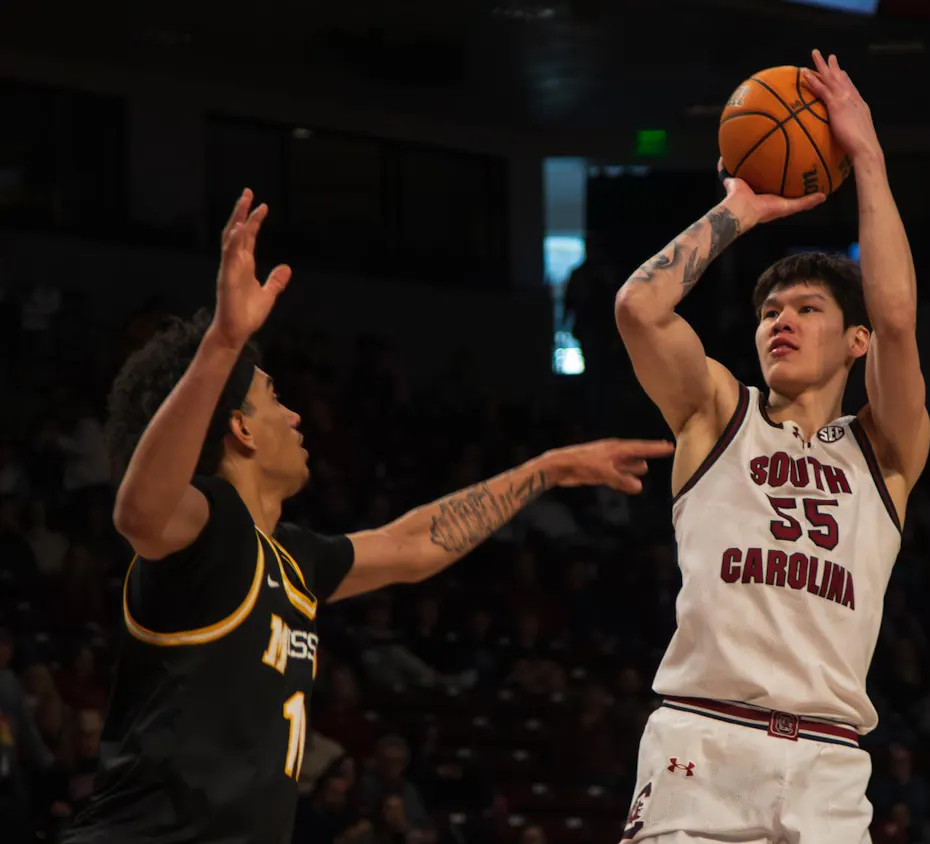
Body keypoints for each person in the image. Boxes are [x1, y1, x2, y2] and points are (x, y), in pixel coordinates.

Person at [61, 190, 674, 844]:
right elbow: (141, 511)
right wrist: (223, 343)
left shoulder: (290, 558)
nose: (296, 416)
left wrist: (543, 470)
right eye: (274, 399)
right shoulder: (210, 532)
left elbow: (411, 546)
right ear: (239, 428)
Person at [613, 50, 930, 843]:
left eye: (806, 309)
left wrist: (868, 160)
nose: (779, 321)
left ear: (854, 342)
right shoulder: (718, 412)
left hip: (828, 765)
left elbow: (896, 318)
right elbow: (639, 309)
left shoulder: (885, 452)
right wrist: (741, 211)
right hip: (703, 746)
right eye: (768, 311)